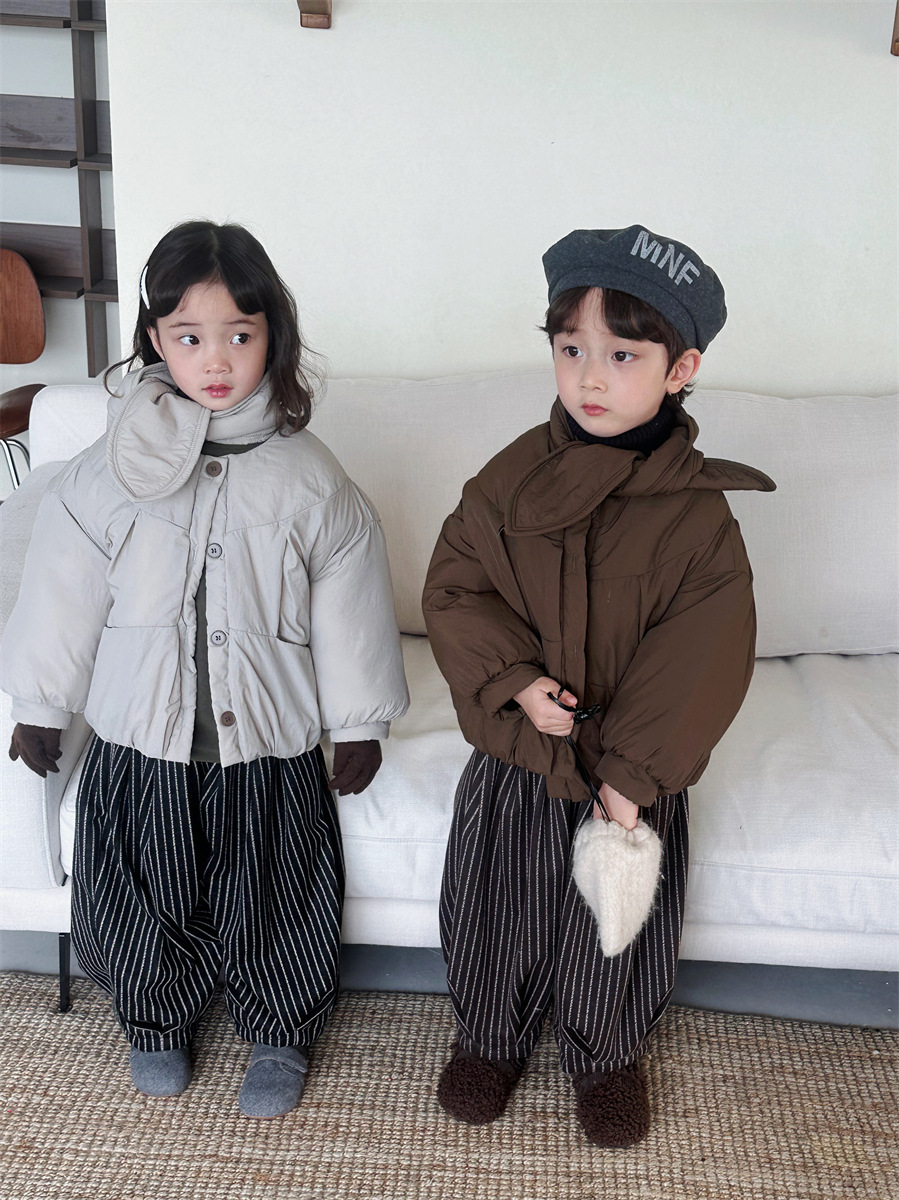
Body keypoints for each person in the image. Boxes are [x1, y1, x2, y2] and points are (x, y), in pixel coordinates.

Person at [3, 220, 409, 1117]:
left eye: (239, 334)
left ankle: (279, 1026)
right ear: (155, 338)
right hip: (139, 736)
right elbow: (62, 590)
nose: (215, 359)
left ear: (273, 338)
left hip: (262, 738)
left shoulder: (311, 479)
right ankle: (155, 1019)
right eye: (189, 337)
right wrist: (39, 703)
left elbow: (349, 606)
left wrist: (359, 721)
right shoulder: (104, 473)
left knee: (274, 889)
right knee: (141, 890)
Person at [422, 225, 775, 1147]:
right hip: (521, 749)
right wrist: (515, 682)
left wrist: (631, 773)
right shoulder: (508, 479)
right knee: (495, 906)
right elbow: (457, 587)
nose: (589, 377)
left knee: (613, 925)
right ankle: (488, 1039)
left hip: (627, 770)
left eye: (622, 355)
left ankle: (604, 1054)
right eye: (570, 349)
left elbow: (703, 652)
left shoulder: (697, 520)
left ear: (679, 369)